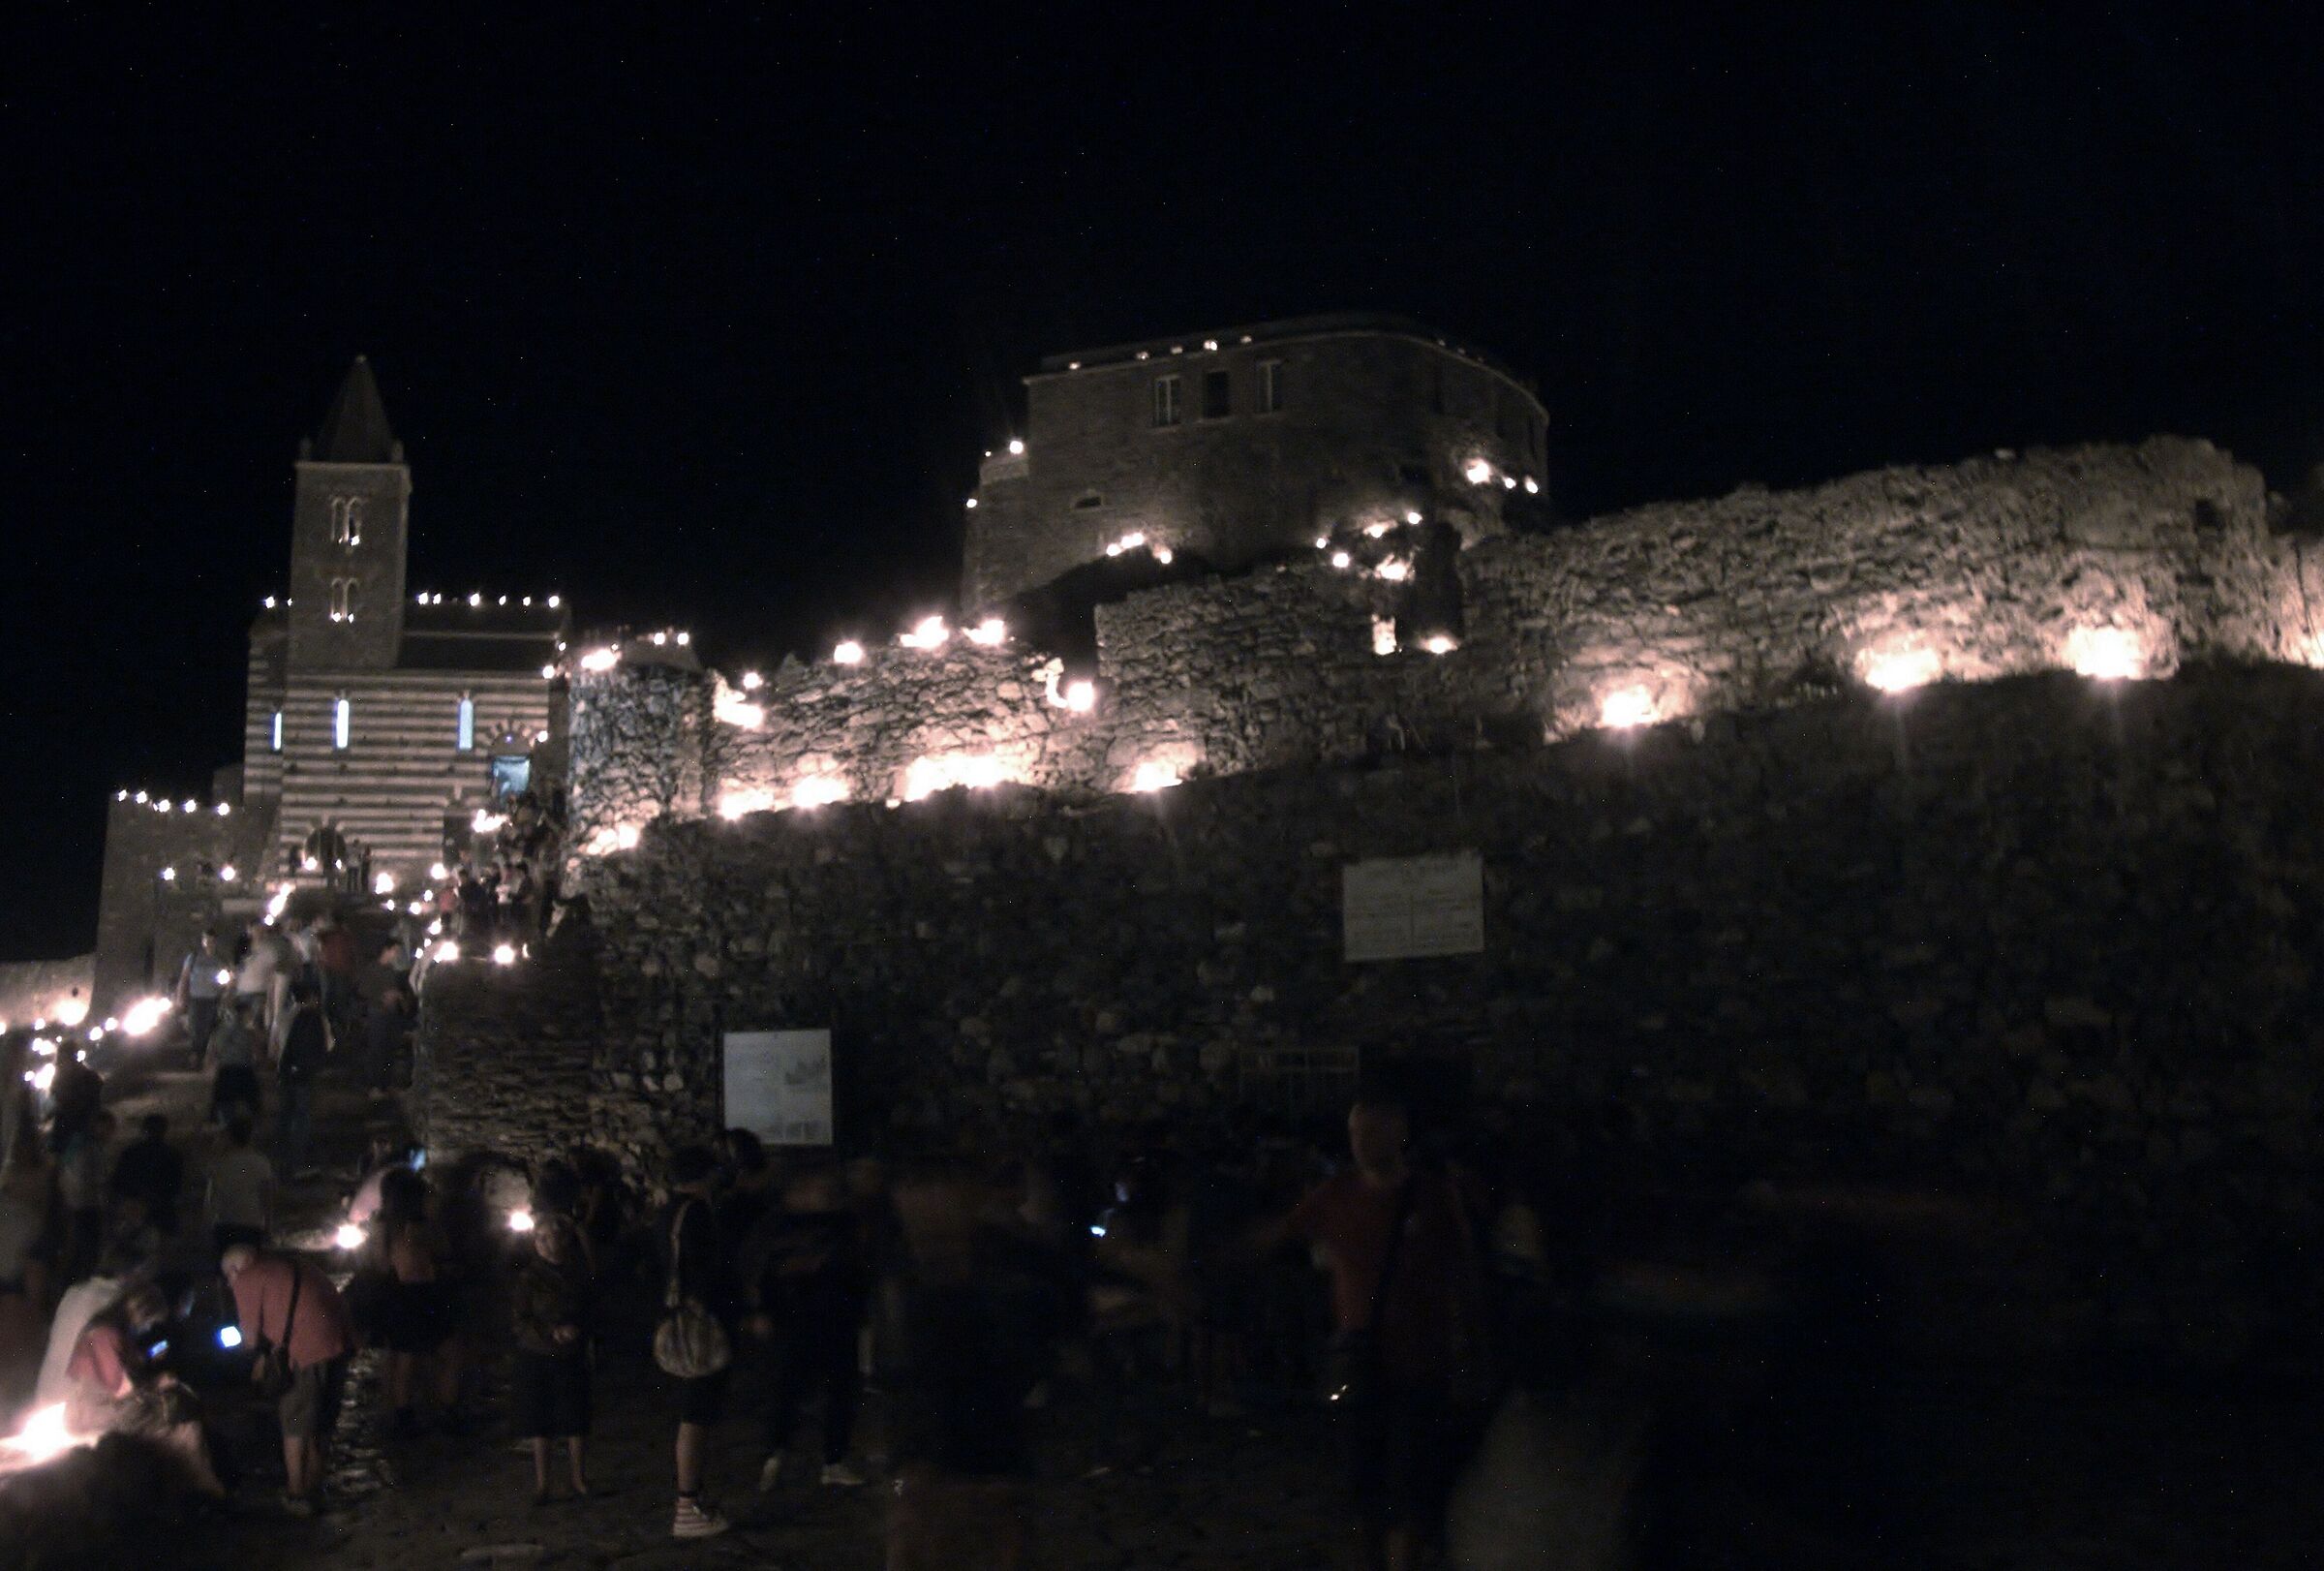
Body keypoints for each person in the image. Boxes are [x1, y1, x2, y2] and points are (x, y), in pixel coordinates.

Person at [1254, 1091, 1486, 1571]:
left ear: (1399, 1135)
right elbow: (1280, 1236)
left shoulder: (1433, 1195)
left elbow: (1463, 1271)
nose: (1360, 1142)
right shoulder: (1335, 1195)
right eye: (1355, 1132)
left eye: (1371, 1131)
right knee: (1366, 1482)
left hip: (1422, 1359)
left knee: (1413, 1477)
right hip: (1364, 1364)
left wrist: (1468, 1343)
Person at [744, 1160, 872, 1492]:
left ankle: (833, 1460)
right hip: (795, 1319)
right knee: (787, 1389)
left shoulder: (843, 1223)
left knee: (840, 1390)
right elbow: (760, 1270)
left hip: (836, 1317)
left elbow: (857, 1266)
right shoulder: (777, 1226)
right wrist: (761, 1309)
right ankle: (776, 1453)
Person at [222, 1242, 356, 1516]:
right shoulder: (296, 1264)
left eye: (228, 1276)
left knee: (296, 1420)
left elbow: (248, 1339)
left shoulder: (247, 1278)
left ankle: (296, 1492)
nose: (230, 1283)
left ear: (236, 1268)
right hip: (339, 1342)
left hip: (306, 1351)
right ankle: (315, 1484)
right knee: (323, 1419)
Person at [63, 1282, 226, 1496]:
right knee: (183, 1423)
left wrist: (146, 1359)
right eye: (149, 1321)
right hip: (101, 1413)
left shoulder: (103, 1331)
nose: (148, 1328)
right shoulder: (105, 1335)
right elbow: (122, 1390)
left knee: (180, 1410)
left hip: (97, 1408)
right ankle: (203, 1490)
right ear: (141, 1312)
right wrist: (158, 1383)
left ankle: (194, 1489)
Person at [659, 1144, 736, 1539]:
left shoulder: (667, 1211)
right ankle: (687, 1505)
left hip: (675, 1323)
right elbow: (705, 1273)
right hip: (698, 1329)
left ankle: (691, 1500)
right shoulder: (697, 1215)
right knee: (696, 1415)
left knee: (691, 1413)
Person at [366, 1166, 459, 1438]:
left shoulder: (382, 1224)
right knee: (447, 1352)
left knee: (400, 1356)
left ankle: (401, 1412)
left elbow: (379, 1263)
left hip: (395, 1292)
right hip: (420, 1293)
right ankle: (443, 1411)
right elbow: (442, 1250)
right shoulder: (418, 1226)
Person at [510, 1214, 595, 1505]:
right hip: (537, 1355)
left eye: (552, 1238)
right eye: (541, 1239)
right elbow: (520, 1320)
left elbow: (591, 1309)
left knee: (575, 1417)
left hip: (571, 1355)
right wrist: (551, 1332)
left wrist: (578, 1331)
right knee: (540, 1420)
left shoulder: (578, 1275)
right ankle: (542, 1483)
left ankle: (578, 1478)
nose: (547, 1245)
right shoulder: (529, 1278)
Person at [273, 977, 328, 1180]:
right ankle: (296, 1162)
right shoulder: (313, 1019)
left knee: (286, 1114)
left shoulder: (291, 1016)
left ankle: (282, 1158)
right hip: (304, 1073)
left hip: (289, 1072)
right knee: (301, 1117)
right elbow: (320, 1047)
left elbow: (285, 1046)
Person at [55, 1106, 114, 1286]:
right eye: (109, 1128)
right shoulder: (88, 1149)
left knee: (78, 1252)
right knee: (85, 1253)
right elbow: (87, 1180)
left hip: (73, 1205)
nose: (111, 1133)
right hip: (84, 1207)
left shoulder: (80, 1144)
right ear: (98, 1126)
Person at [205, 1111, 275, 1253]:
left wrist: (207, 1224)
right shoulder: (261, 1162)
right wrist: (268, 1226)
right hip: (251, 1223)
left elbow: (211, 1196)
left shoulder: (219, 1162)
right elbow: (266, 1197)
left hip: (224, 1222)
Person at [109, 1113, 185, 1240]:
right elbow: (176, 1185)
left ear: (144, 1130)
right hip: (161, 1208)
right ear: (165, 1130)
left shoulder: (130, 1153)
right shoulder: (173, 1154)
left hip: (135, 1208)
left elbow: (119, 1182)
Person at [173, 929, 229, 1069]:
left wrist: (225, 995)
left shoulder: (220, 960)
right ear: (203, 941)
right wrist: (180, 997)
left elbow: (227, 979)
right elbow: (184, 978)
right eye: (206, 940)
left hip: (213, 998)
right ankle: (196, 1056)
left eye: (212, 940)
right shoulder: (193, 958)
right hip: (196, 998)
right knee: (195, 1028)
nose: (209, 943)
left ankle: (204, 1057)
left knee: (209, 1028)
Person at [208, 996, 264, 1124]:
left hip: (226, 1071)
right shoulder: (248, 1033)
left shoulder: (221, 1030)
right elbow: (257, 1051)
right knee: (252, 1104)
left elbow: (213, 1050)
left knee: (225, 1104)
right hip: (243, 1070)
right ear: (244, 1013)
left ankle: (226, 1127)